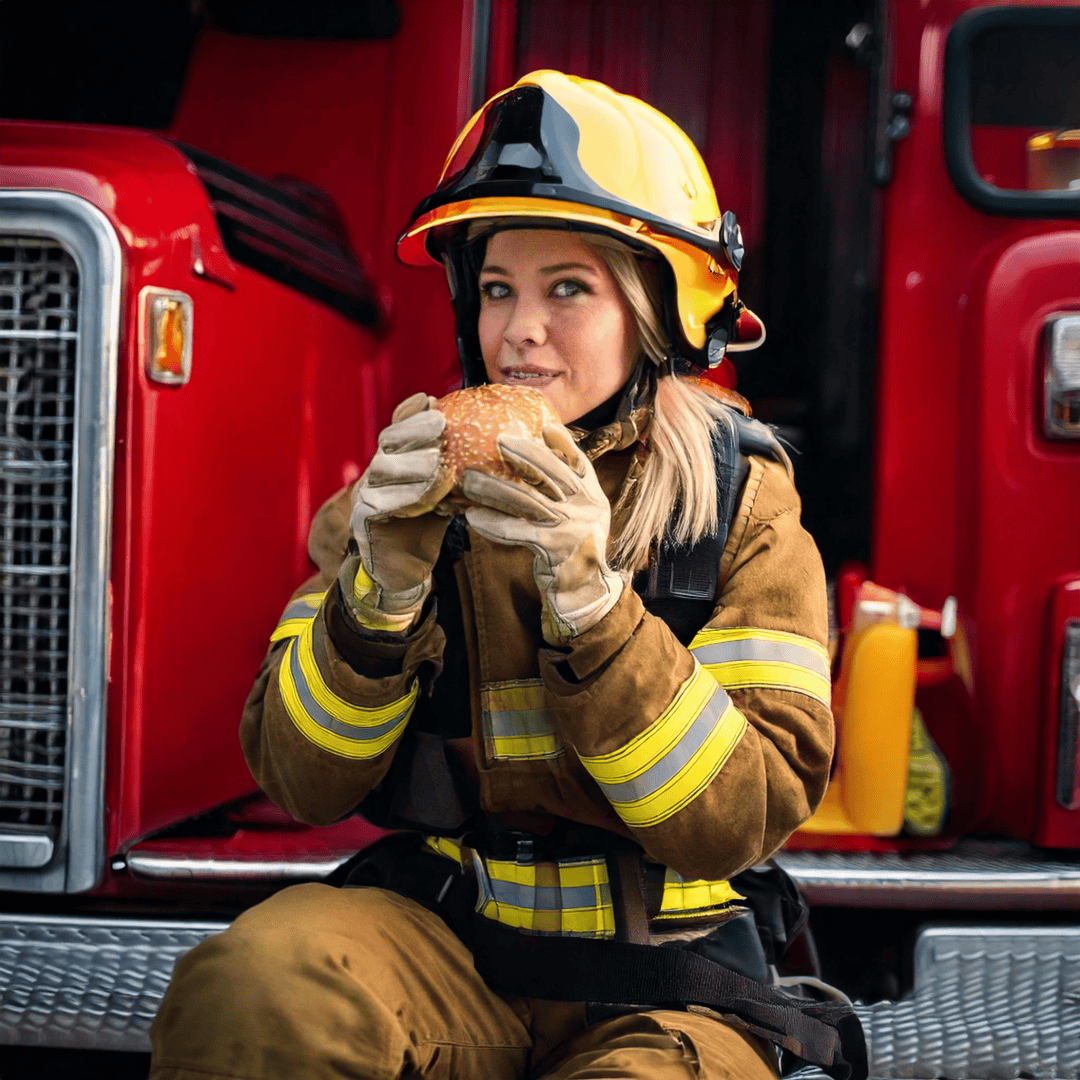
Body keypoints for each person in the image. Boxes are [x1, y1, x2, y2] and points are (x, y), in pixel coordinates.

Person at [149, 71, 862, 1080]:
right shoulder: (407, 485)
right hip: (452, 948)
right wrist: (377, 598)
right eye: (496, 290)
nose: (520, 330)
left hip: (671, 981)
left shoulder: (739, 506)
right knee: (256, 989)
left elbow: (745, 813)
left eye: (568, 287)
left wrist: (598, 610)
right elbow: (299, 780)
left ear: (657, 313)